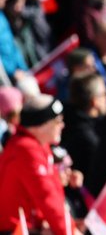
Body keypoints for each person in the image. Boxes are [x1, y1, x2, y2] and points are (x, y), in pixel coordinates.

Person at [0, 94, 80, 235]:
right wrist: (69, 231)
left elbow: (51, 192)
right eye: (57, 121)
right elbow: (47, 197)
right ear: (40, 125)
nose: (62, 125)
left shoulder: (37, 144)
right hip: (15, 230)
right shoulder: (25, 150)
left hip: (30, 225)